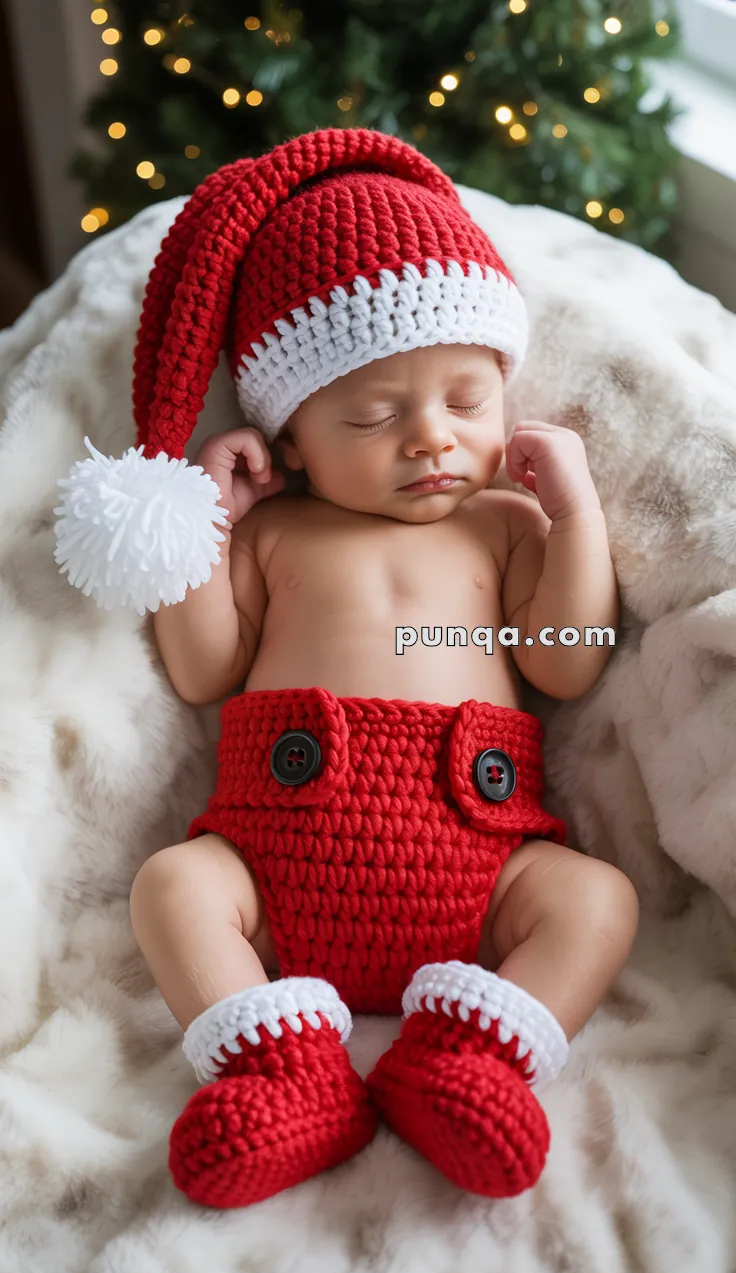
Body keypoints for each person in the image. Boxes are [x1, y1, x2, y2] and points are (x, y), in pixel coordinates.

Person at [54, 128, 639, 1211]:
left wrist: (574, 515)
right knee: (173, 885)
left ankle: (468, 1060)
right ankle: (284, 1071)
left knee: (596, 899)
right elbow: (202, 669)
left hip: (482, 874)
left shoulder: (504, 525)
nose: (429, 440)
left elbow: (564, 662)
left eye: (467, 402)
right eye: (373, 415)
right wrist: (211, 524)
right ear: (292, 436)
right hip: (275, 873)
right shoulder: (282, 535)